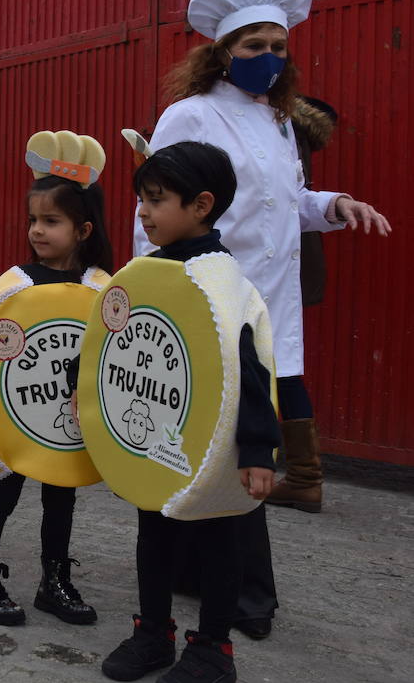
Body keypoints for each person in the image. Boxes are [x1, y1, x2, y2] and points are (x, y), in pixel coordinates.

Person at [139, 0, 390, 637]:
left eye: (279, 47)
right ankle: (249, 595)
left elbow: (287, 204)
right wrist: (153, 292)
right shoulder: (191, 114)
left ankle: (199, 574)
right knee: (233, 451)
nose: (270, 59)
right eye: (255, 47)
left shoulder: (278, 120)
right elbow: (154, 206)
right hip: (211, 302)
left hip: (270, 308)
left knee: (231, 445)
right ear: (222, 51)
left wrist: (332, 205)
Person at [99, 140, 280, 683]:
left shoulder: (221, 284)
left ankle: (212, 650)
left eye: (156, 199)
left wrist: (256, 449)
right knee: (153, 533)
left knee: (219, 540)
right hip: (157, 437)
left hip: (216, 445)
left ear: (201, 205)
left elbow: (249, 369)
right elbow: (113, 348)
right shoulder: (144, 272)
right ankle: (153, 632)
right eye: (141, 198)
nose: (141, 211)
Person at [0, 134, 113, 628]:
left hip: (64, 421)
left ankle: (54, 582)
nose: (38, 231)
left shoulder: (101, 286)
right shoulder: (18, 280)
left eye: (51, 221)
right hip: (13, 415)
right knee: (4, 490)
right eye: (33, 221)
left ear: (83, 229)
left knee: (62, 494)